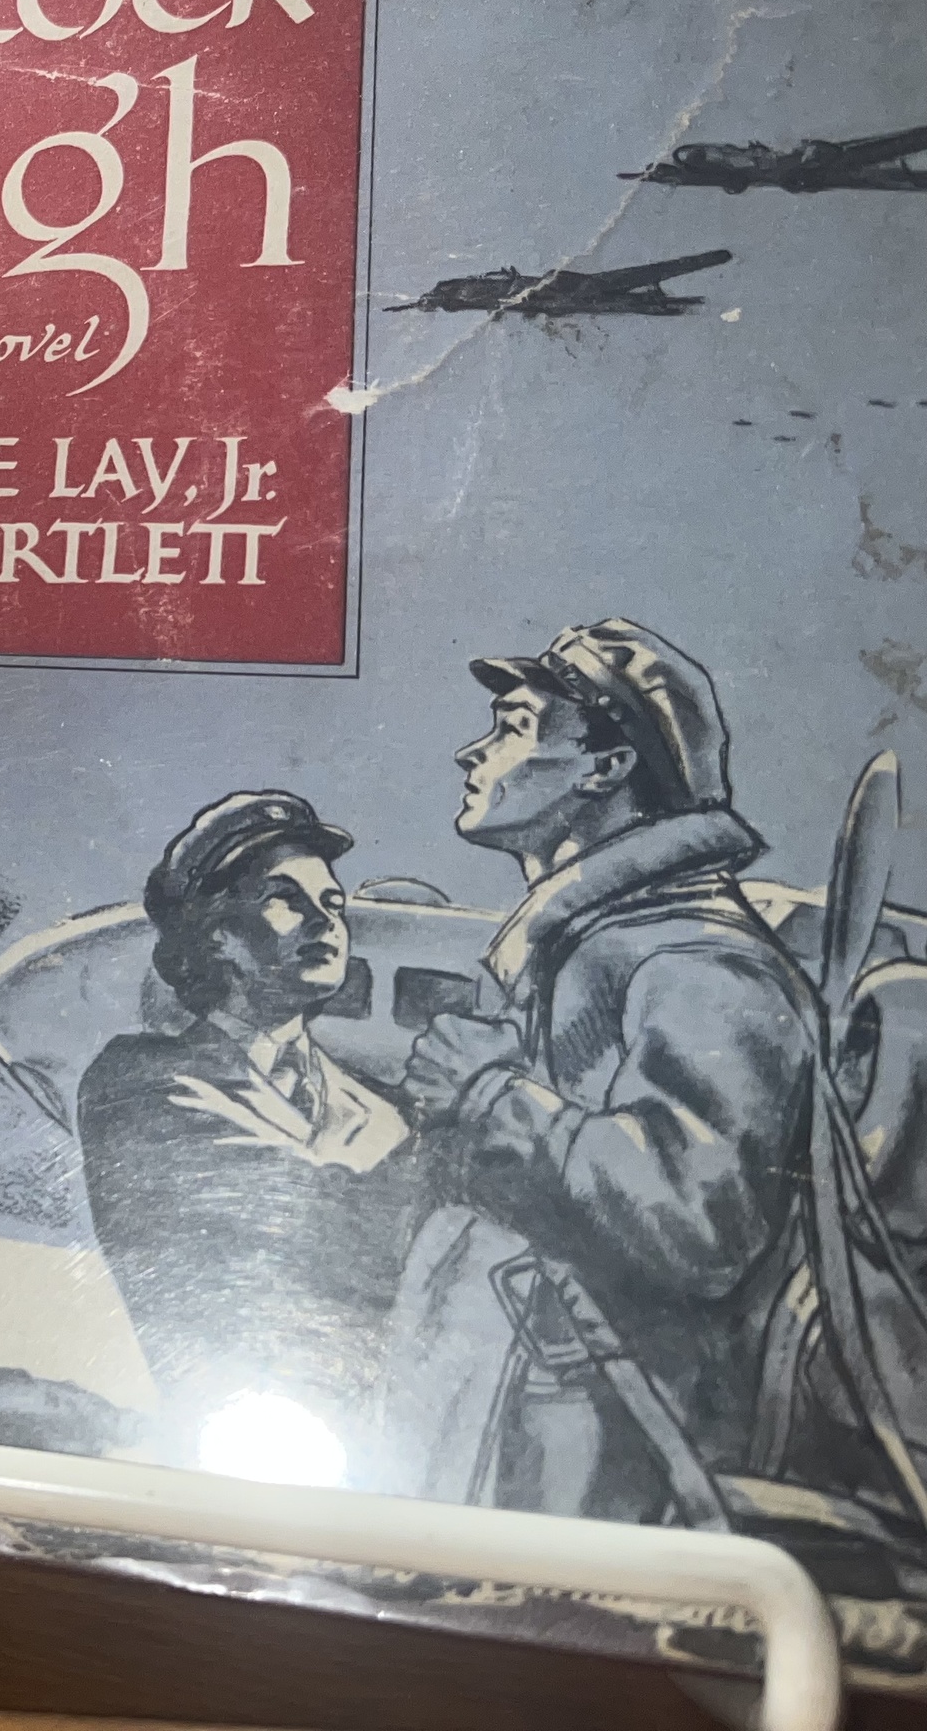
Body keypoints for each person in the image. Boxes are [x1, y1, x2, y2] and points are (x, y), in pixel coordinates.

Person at [377, 619, 821, 1523]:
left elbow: (703, 1220)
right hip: (524, 1432)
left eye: (513, 726)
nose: (472, 751)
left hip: (596, 1467)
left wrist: (492, 1096)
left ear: (607, 767)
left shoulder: (696, 959)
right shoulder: (592, 946)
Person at [78, 792, 429, 1468]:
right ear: (215, 932)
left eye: (333, 904)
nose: (324, 921)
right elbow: (292, 1219)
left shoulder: (385, 1108)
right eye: (285, 898)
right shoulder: (140, 1081)